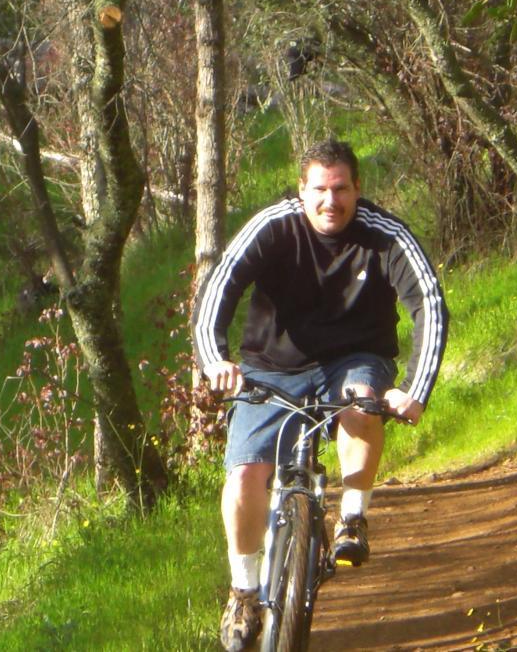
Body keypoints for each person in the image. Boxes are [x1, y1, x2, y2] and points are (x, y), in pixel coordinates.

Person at [192, 139, 448, 651]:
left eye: (341, 189)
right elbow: (218, 290)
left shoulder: (384, 235)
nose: (331, 201)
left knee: (362, 399)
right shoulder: (273, 227)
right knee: (245, 473)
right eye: (319, 190)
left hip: (355, 356)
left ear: (357, 189)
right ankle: (244, 591)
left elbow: (429, 304)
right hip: (271, 365)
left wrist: (413, 390)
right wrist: (215, 361)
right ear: (301, 190)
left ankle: (352, 518)